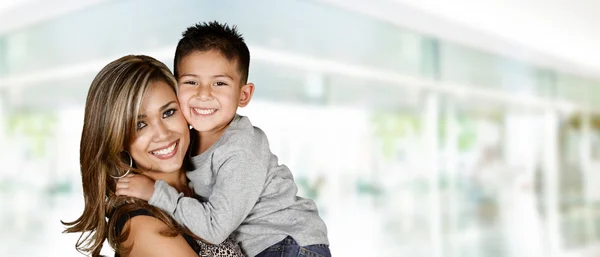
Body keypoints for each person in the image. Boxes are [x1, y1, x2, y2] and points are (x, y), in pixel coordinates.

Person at [116, 21, 331, 257]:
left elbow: (215, 229)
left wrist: (155, 193)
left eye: (219, 83)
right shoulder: (189, 141)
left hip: (288, 245)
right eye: (191, 82)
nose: (204, 94)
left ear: (244, 94)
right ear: (175, 88)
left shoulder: (241, 149)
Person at [61, 55, 244, 257]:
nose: (163, 134)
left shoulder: (213, 177)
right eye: (140, 125)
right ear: (117, 140)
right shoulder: (142, 226)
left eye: (168, 113)